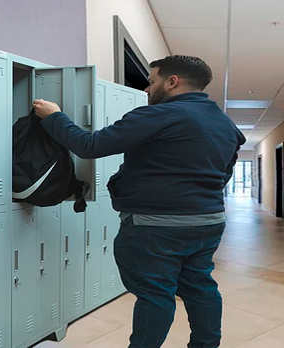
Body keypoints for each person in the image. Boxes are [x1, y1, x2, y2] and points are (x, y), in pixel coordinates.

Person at [32, 55, 246, 348]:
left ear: (172, 82)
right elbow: (224, 173)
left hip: (154, 226)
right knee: (200, 287)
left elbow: (89, 146)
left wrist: (54, 116)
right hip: (208, 222)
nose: (147, 89)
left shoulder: (158, 115)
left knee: (155, 295)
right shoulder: (225, 124)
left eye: (151, 81)